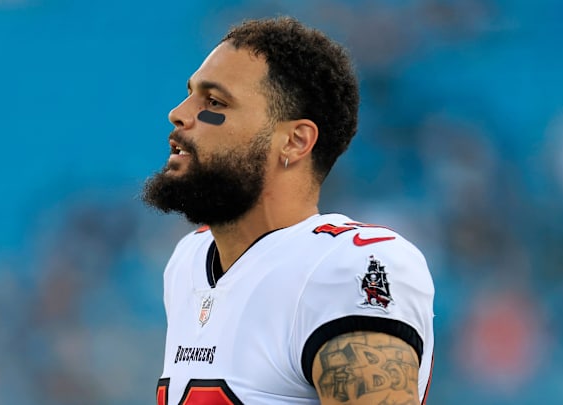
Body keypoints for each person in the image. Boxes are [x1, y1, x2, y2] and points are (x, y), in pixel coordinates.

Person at [142, 16, 434, 405]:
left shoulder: (349, 265)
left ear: (295, 142)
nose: (179, 113)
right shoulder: (188, 261)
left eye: (214, 102)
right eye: (191, 94)